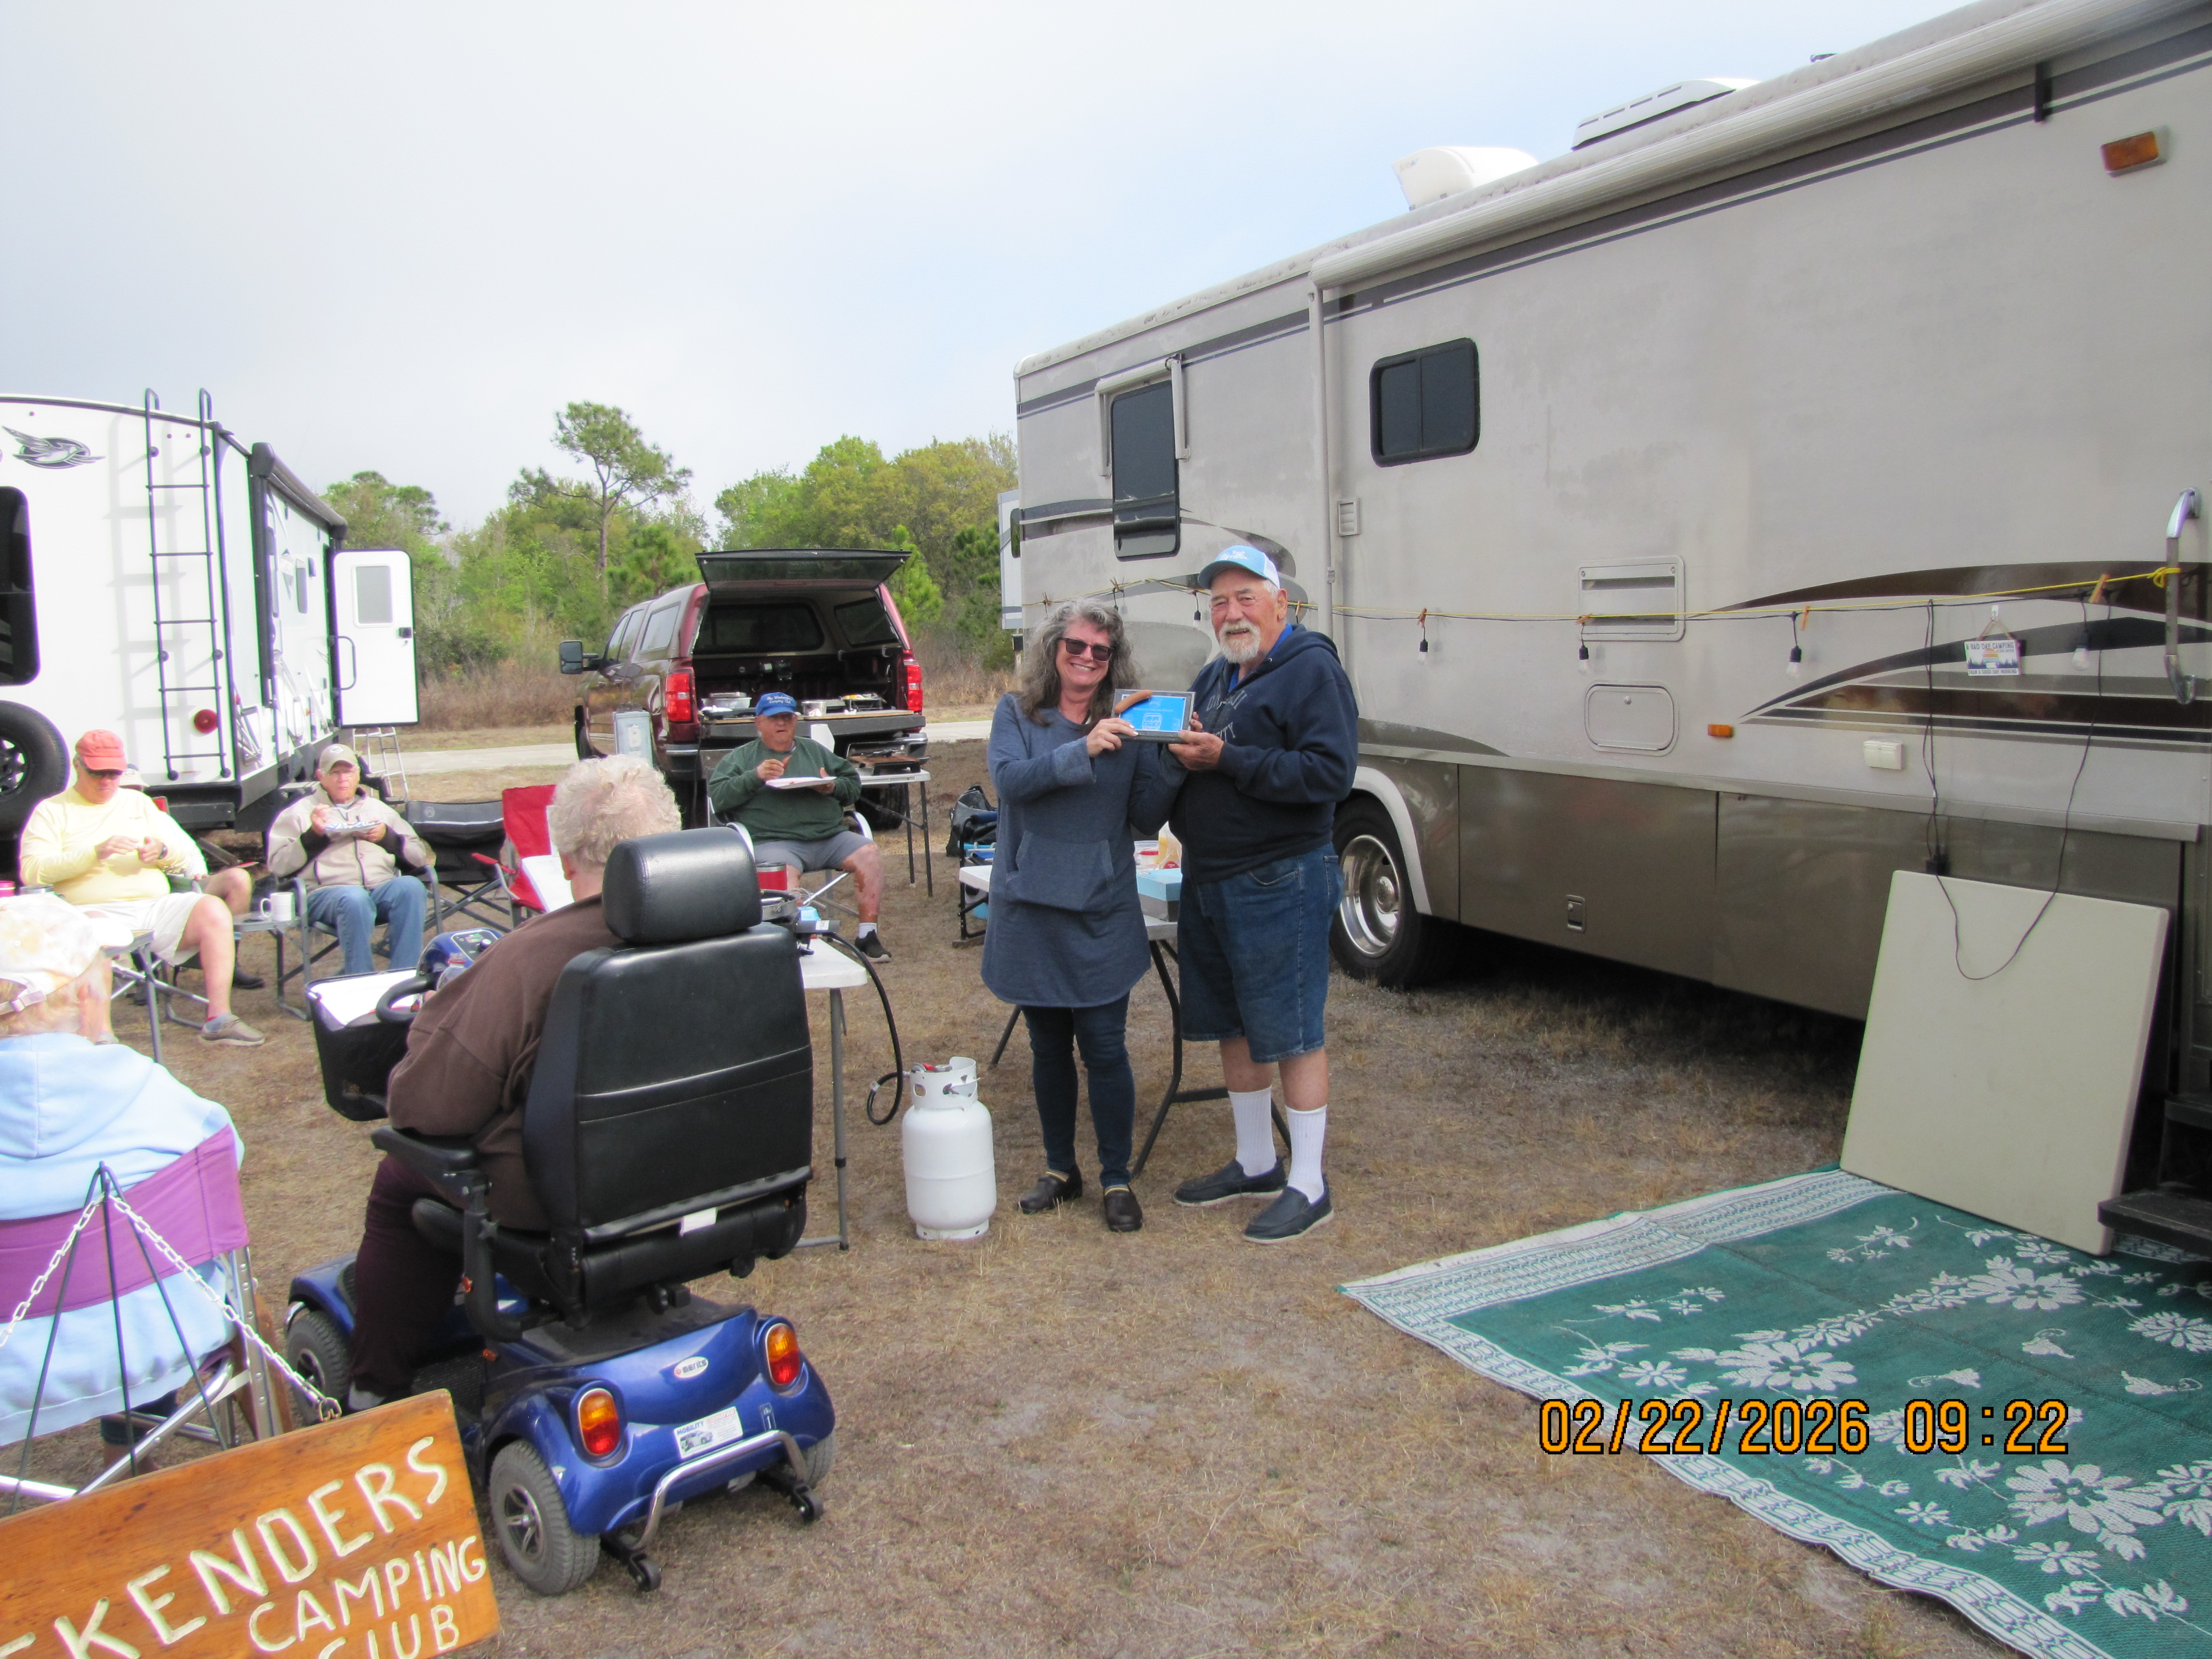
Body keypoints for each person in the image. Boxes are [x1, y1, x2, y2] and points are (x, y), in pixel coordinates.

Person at [344, 754, 681, 1408]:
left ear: (561, 853)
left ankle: (373, 1391)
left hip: (569, 1191)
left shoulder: (532, 957)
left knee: (403, 1174)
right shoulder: (729, 927)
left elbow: (429, 1105)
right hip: (695, 1166)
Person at [0, 894, 243, 1452]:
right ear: (89, 997)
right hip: (154, 1339)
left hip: (11, 1368)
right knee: (142, 1271)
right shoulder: (145, 1089)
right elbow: (225, 1161)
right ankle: (131, 1451)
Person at [1166, 546, 1358, 1243]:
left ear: (1282, 603)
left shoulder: (1311, 669)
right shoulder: (1215, 676)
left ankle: (1308, 1182)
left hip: (1281, 875)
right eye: (1218, 601)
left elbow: (1329, 774)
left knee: (1293, 1029)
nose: (1230, 612)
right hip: (1212, 877)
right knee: (1233, 1024)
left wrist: (1227, 759)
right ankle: (1255, 1160)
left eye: (1246, 597)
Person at [983, 599, 1182, 1234]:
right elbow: (1010, 783)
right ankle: (1060, 1170)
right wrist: (1084, 748)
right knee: (1047, 1047)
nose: (1087, 659)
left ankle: (1116, 1177)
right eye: (1076, 647)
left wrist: (1173, 755)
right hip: (1031, 905)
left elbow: (1145, 818)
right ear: (1052, 649)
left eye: (1101, 650)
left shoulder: (1129, 722)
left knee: (1104, 1048)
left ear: (1113, 657)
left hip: (1099, 906)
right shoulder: (1017, 713)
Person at [18, 729, 265, 1046]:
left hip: (153, 906)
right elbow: (33, 872)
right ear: (78, 765)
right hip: (92, 912)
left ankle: (219, 1018)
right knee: (92, 929)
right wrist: (94, 854)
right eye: (98, 773)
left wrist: (161, 852)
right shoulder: (53, 810)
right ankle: (101, 1034)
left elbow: (182, 855)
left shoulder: (138, 803)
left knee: (212, 909)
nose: (107, 781)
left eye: (114, 773)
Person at [706, 691, 890, 962]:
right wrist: (755, 777)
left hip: (829, 837)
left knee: (869, 853)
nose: (781, 724)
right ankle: (791, 940)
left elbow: (852, 788)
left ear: (795, 721)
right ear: (759, 723)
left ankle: (867, 935)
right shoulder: (742, 758)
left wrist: (832, 787)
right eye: (774, 719)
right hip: (775, 842)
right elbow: (719, 799)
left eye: (787, 718)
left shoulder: (815, 751)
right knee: (784, 874)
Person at [267, 744, 432, 977]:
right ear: (321, 777)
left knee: (411, 888)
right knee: (354, 899)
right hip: (327, 893)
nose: (343, 779)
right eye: (335, 773)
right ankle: (360, 982)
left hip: (379, 888)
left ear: (358, 775)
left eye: (349, 772)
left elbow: (419, 856)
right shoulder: (299, 813)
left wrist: (388, 838)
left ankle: (404, 979)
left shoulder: (379, 809)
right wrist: (314, 836)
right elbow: (277, 864)